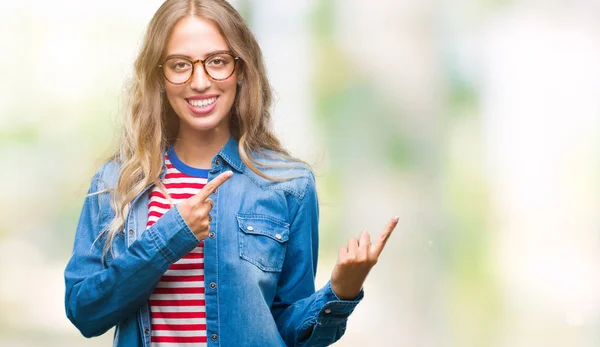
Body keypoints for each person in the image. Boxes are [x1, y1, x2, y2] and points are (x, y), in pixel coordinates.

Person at [63, 0, 398, 346]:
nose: (200, 82)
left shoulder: (289, 186)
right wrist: (170, 235)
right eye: (180, 65)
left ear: (241, 70)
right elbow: (84, 312)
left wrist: (341, 292)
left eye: (217, 62)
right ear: (159, 76)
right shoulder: (116, 182)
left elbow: (287, 330)